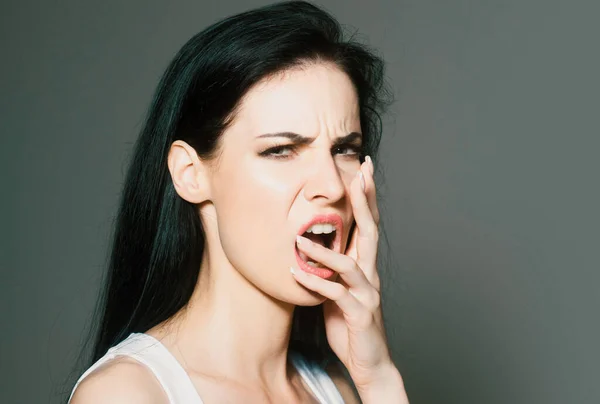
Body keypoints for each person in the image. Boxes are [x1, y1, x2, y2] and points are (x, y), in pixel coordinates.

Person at [67, 1, 409, 402]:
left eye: (345, 150)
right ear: (190, 174)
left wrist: (380, 379)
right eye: (281, 150)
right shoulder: (128, 395)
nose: (332, 187)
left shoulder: (334, 389)